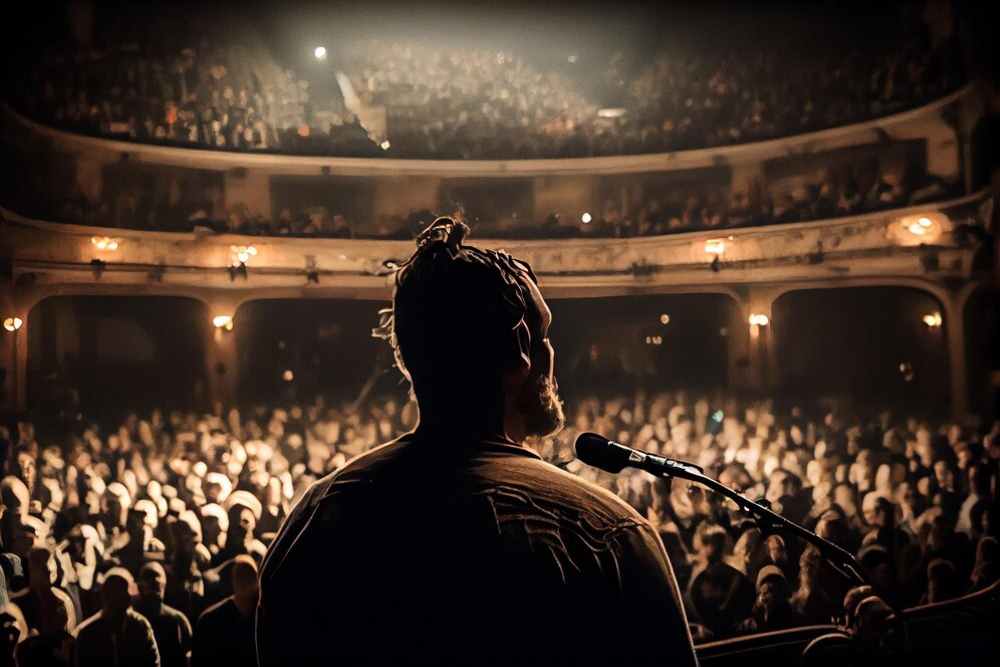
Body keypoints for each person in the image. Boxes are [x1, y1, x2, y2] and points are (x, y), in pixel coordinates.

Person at [256, 218, 697, 666]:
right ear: (523, 346)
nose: (552, 354)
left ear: (408, 361)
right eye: (545, 335)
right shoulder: (606, 533)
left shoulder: (316, 519)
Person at [72, 568, 159, 667]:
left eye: (122, 594)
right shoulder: (88, 633)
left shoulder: (140, 626)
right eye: (114, 594)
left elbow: (153, 662)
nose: (118, 600)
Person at [192, 555, 257, 667]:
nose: (245, 580)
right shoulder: (210, 621)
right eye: (240, 575)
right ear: (232, 580)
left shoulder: (266, 617)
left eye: (249, 574)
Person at [134, 563, 192, 667]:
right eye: (149, 577)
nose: (155, 581)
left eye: (157, 576)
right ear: (139, 586)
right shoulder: (132, 621)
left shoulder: (178, 620)